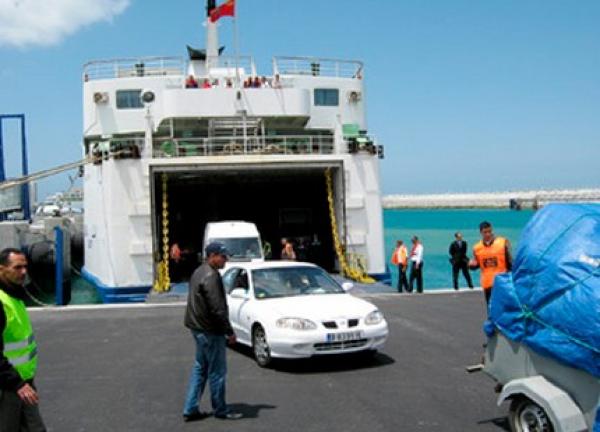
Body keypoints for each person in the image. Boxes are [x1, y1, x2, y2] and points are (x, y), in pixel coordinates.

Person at [182, 242, 242, 422]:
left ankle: (190, 408)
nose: (226, 260)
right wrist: (229, 331)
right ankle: (220, 410)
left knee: (200, 368)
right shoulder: (211, 276)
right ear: (213, 255)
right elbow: (218, 309)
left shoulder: (198, 271)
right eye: (223, 256)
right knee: (217, 371)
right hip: (210, 330)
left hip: (196, 327)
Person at [0, 248, 46, 432]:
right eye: (17, 267)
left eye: (25, 267)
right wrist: (16, 383)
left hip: (22, 382)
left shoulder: (14, 296)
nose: (24, 272)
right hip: (8, 386)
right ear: (1, 269)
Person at [469, 221, 512, 305]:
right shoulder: (477, 248)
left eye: (489, 231)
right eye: (485, 232)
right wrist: (471, 266)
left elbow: (510, 262)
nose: (488, 234)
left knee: (505, 309)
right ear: (481, 232)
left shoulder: (502, 243)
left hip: (502, 282)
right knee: (491, 310)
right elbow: (478, 264)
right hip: (488, 284)